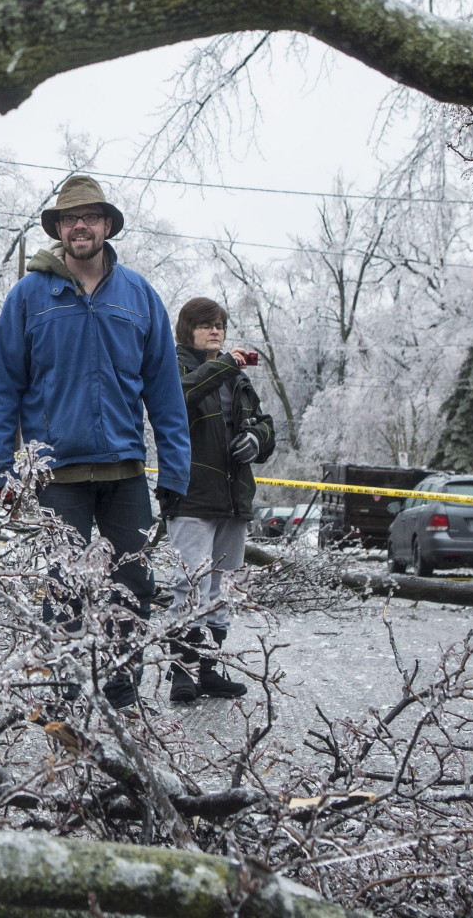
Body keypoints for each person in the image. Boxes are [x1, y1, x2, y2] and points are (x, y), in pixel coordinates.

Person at [0, 175, 191, 708]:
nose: (80, 226)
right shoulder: (30, 296)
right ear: (58, 228)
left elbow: (165, 392)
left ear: (106, 226)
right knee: (63, 591)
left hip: (125, 473)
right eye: (70, 218)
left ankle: (122, 694)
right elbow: (2, 387)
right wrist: (1, 470)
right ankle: (64, 697)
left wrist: (176, 471)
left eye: (91, 217)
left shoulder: (140, 296)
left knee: (133, 588)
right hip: (56, 477)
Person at [165, 297, 273, 702]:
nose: (215, 331)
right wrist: (227, 363)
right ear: (187, 328)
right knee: (188, 586)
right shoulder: (174, 366)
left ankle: (209, 669)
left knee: (221, 589)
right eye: (206, 324)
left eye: (220, 325)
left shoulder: (237, 379)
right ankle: (180, 672)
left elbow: (265, 425)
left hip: (232, 498)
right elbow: (178, 397)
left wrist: (256, 438)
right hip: (190, 494)